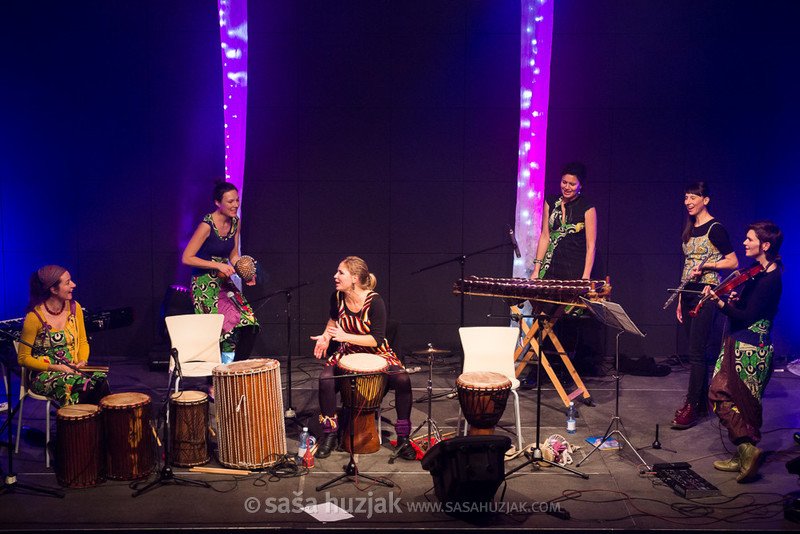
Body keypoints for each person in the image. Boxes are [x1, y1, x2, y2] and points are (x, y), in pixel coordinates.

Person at [310, 256, 415, 460]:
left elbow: (376, 339)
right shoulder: (337, 297)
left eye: (341, 272)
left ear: (355, 278)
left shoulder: (375, 301)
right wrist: (325, 337)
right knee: (325, 379)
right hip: (348, 352)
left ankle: (403, 438)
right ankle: (330, 434)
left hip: (377, 352)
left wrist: (345, 336)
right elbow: (333, 321)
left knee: (403, 379)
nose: (335, 276)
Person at [705, 221, 782, 483]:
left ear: (765, 245)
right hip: (740, 343)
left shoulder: (771, 279)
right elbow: (750, 308)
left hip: (749, 350)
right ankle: (743, 453)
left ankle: (747, 451)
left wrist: (719, 303)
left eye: (750, 239)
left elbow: (747, 317)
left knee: (728, 398)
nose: (744, 243)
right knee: (732, 400)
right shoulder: (758, 273)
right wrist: (736, 300)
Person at [672, 182, 738, 429]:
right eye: (686, 198)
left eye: (693, 197)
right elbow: (687, 265)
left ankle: (692, 406)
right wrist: (680, 298)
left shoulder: (715, 228)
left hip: (707, 293)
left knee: (697, 353)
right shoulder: (690, 228)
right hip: (688, 292)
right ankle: (700, 404)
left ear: (705, 200)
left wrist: (708, 265)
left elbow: (733, 262)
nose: (688, 202)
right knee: (693, 352)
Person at [182, 181, 258, 361]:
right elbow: (187, 258)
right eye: (230, 201)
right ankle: (215, 375)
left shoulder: (235, 222)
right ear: (218, 203)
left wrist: (245, 272)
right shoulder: (207, 225)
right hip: (204, 284)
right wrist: (217, 265)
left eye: (237, 200)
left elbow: (233, 255)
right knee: (216, 331)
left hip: (223, 281)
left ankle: (234, 369)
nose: (235, 205)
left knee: (249, 322)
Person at [17, 265, 110, 405]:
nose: (73, 285)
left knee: (99, 381)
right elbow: (23, 358)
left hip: (73, 368)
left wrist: (82, 362)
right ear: (53, 289)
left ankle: (101, 419)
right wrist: (56, 367)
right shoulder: (34, 317)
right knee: (79, 386)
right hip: (44, 374)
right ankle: (76, 418)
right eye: (67, 282)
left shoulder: (74, 308)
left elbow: (83, 341)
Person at [531, 162, 597, 281]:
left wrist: (585, 277)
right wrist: (536, 270)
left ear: (580, 185)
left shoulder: (587, 208)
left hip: (574, 268)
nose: (567, 187)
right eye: (564, 182)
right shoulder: (551, 202)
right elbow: (545, 236)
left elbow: (590, 246)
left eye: (572, 184)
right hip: (550, 266)